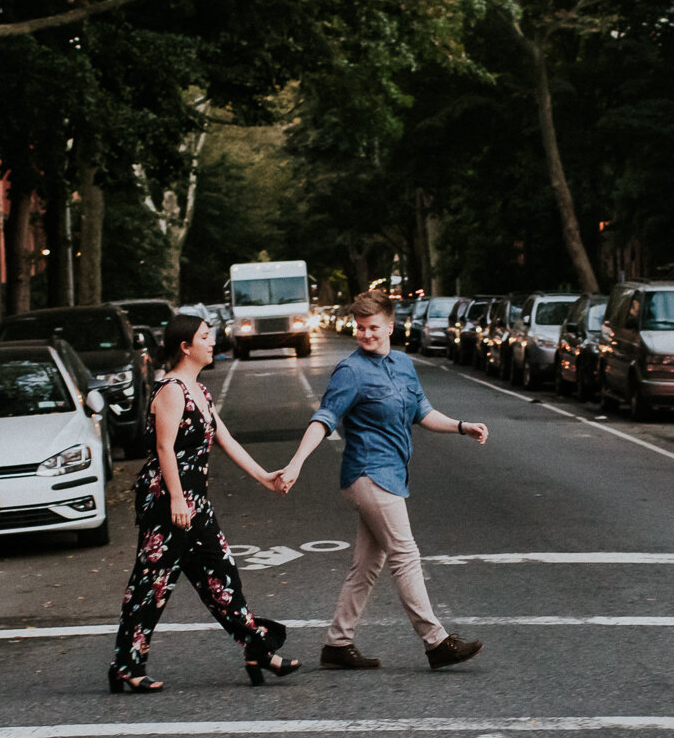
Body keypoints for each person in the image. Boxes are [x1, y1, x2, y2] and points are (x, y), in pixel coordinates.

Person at [277, 289, 487, 671]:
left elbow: (422, 411)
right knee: (405, 554)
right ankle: (436, 641)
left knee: (367, 565)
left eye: (373, 327)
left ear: (391, 325)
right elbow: (324, 419)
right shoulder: (351, 371)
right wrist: (295, 464)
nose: (365, 334)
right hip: (368, 474)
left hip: (391, 474)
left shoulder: (404, 363)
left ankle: (337, 644)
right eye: (360, 328)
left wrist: (460, 426)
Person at [107, 312, 300, 693]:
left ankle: (257, 649)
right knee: (152, 585)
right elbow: (164, 448)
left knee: (222, 577)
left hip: (195, 500)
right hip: (167, 501)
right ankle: (126, 667)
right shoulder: (171, 391)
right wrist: (177, 499)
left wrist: (265, 477)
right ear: (185, 346)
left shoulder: (200, 391)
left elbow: (224, 440)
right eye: (205, 337)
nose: (212, 342)